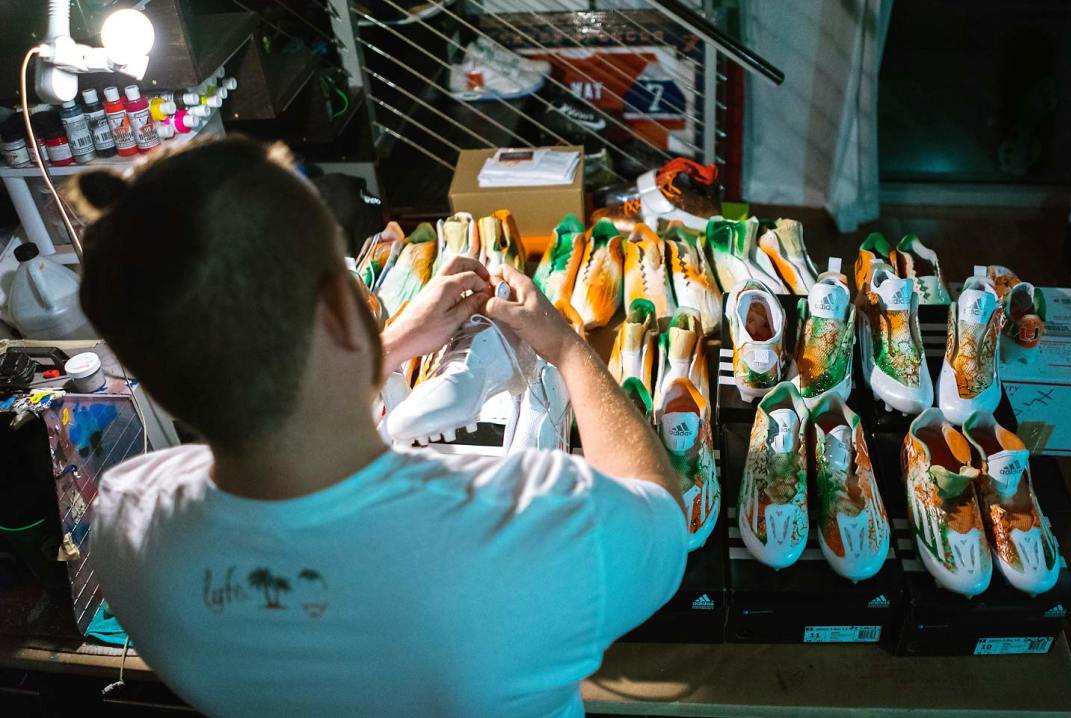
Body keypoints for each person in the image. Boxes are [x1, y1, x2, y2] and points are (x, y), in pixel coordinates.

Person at [68, 137, 687, 716]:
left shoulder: (126, 523)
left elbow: (266, 405)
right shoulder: (538, 525)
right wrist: (570, 350)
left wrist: (385, 346)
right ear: (342, 311)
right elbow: (660, 505)